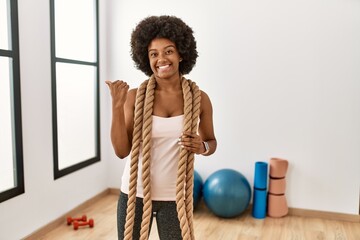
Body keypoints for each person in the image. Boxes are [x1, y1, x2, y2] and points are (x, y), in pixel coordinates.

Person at [106, 15, 217, 240]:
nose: (161, 59)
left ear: (181, 54)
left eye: (168, 51)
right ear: (145, 59)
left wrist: (202, 146)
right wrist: (117, 107)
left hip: (175, 197)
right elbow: (121, 151)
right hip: (134, 194)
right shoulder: (134, 97)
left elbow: (211, 142)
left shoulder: (199, 99)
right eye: (153, 54)